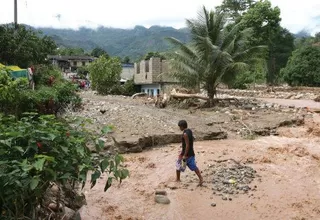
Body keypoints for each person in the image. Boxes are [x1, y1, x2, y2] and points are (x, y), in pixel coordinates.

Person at [176, 120, 203, 186]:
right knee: (193, 166)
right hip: (191, 153)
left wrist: (184, 155)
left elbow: (187, 145)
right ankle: (201, 178)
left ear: (182, 126)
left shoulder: (185, 134)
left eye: (180, 127)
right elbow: (191, 140)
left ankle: (178, 179)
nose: (179, 128)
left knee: (178, 166)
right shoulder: (189, 131)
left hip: (186, 154)